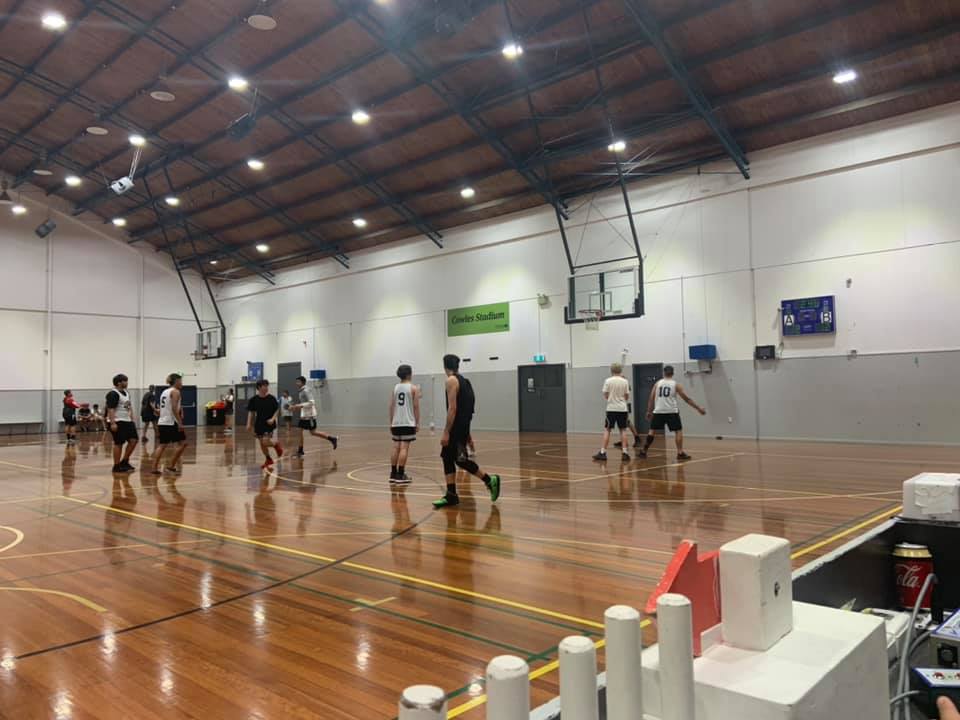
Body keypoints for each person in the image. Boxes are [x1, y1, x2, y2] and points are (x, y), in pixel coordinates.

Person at [433, 354, 500, 509]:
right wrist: (467, 433)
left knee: (458, 460)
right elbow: (469, 409)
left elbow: (453, 408)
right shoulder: (466, 382)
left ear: (445, 366)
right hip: (463, 427)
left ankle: (489, 480)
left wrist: (446, 432)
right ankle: (451, 495)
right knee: (450, 458)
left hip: (456, 428)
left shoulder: (451, 380)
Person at [639, 365, 706, 461]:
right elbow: (687, 399)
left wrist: (649, 411)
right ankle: (680, 453)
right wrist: (698, 408)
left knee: (652, 430)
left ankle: (644, 451)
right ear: (673, 373)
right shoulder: (675, 384)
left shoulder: (657, 383)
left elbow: (651, 398)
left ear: (664, 372)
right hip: (671, 411)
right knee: (678, 431)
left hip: (659, 411)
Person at [290, 376, 338, 457]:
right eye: (296, 382)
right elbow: (304, 404)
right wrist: (296, 407)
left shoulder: (306, 390)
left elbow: (311, 402)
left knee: (312, 432)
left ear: (303, 382)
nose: (296, 383)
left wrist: (299, 405)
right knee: (303, 432)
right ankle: (300, 451)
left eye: (298, 382)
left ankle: (332, 439)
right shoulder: (301, 391)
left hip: (310, 416)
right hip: (305, 415)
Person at [150, 374, 188, 475]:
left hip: (162, 422)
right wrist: (180, 423)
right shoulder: (175, 392)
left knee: (162, 445)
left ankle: (154, 468)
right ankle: (170, 467)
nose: (182, 383)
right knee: (183, 443)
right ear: (176, 381)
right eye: (181, 381)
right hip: (171, 422)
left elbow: (164, 408)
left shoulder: (164, 392)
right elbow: (174, 408)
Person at [594, 363, 632, 462]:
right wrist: (621, 400)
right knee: (623, 430)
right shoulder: (625, 381)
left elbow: (606, 395)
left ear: (611, 370)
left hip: (611, 409)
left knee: (607, 430)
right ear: (620, 370)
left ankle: (603, 452)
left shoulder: (608, 381)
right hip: (622, 409)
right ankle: (625, 453)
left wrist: (612, 399)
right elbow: (627, 396)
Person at [389, 364, 420, 485]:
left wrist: (391, 422)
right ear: (409, 374)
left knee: (395, 447)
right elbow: (416, 407)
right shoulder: (413, 388)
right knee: (404, 448)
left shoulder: (395, 388)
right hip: (408, 422)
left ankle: (393, 474)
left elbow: (391, 406)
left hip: (396, 422)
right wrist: (417, 422)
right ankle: (400, 475)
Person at [246, 379, 283, 469]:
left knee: (265, 441)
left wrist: (273, 419)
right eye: (264, 386)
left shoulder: (271, 398)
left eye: (267, 386)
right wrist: (248, 424)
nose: (266, 388)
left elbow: (277, 410)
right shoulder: (253, 400)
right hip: (259, 424)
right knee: (262, 444)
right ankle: (268, 459)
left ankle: (276, 445)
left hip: (269, 423)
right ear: (259, 387)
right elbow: (251, 412)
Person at [105, 373, 138, 473]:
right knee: (119, 443)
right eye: (125, 381)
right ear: (119, 383)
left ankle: (124, 461)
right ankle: (116, 466)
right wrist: (112, 423)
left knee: (134, 440)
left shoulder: (126, 393)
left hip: (127, 421)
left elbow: (128, 406)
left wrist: (131, 417)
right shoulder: (113, 394)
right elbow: (110, 409)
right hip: (117, 421)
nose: (127, 383)